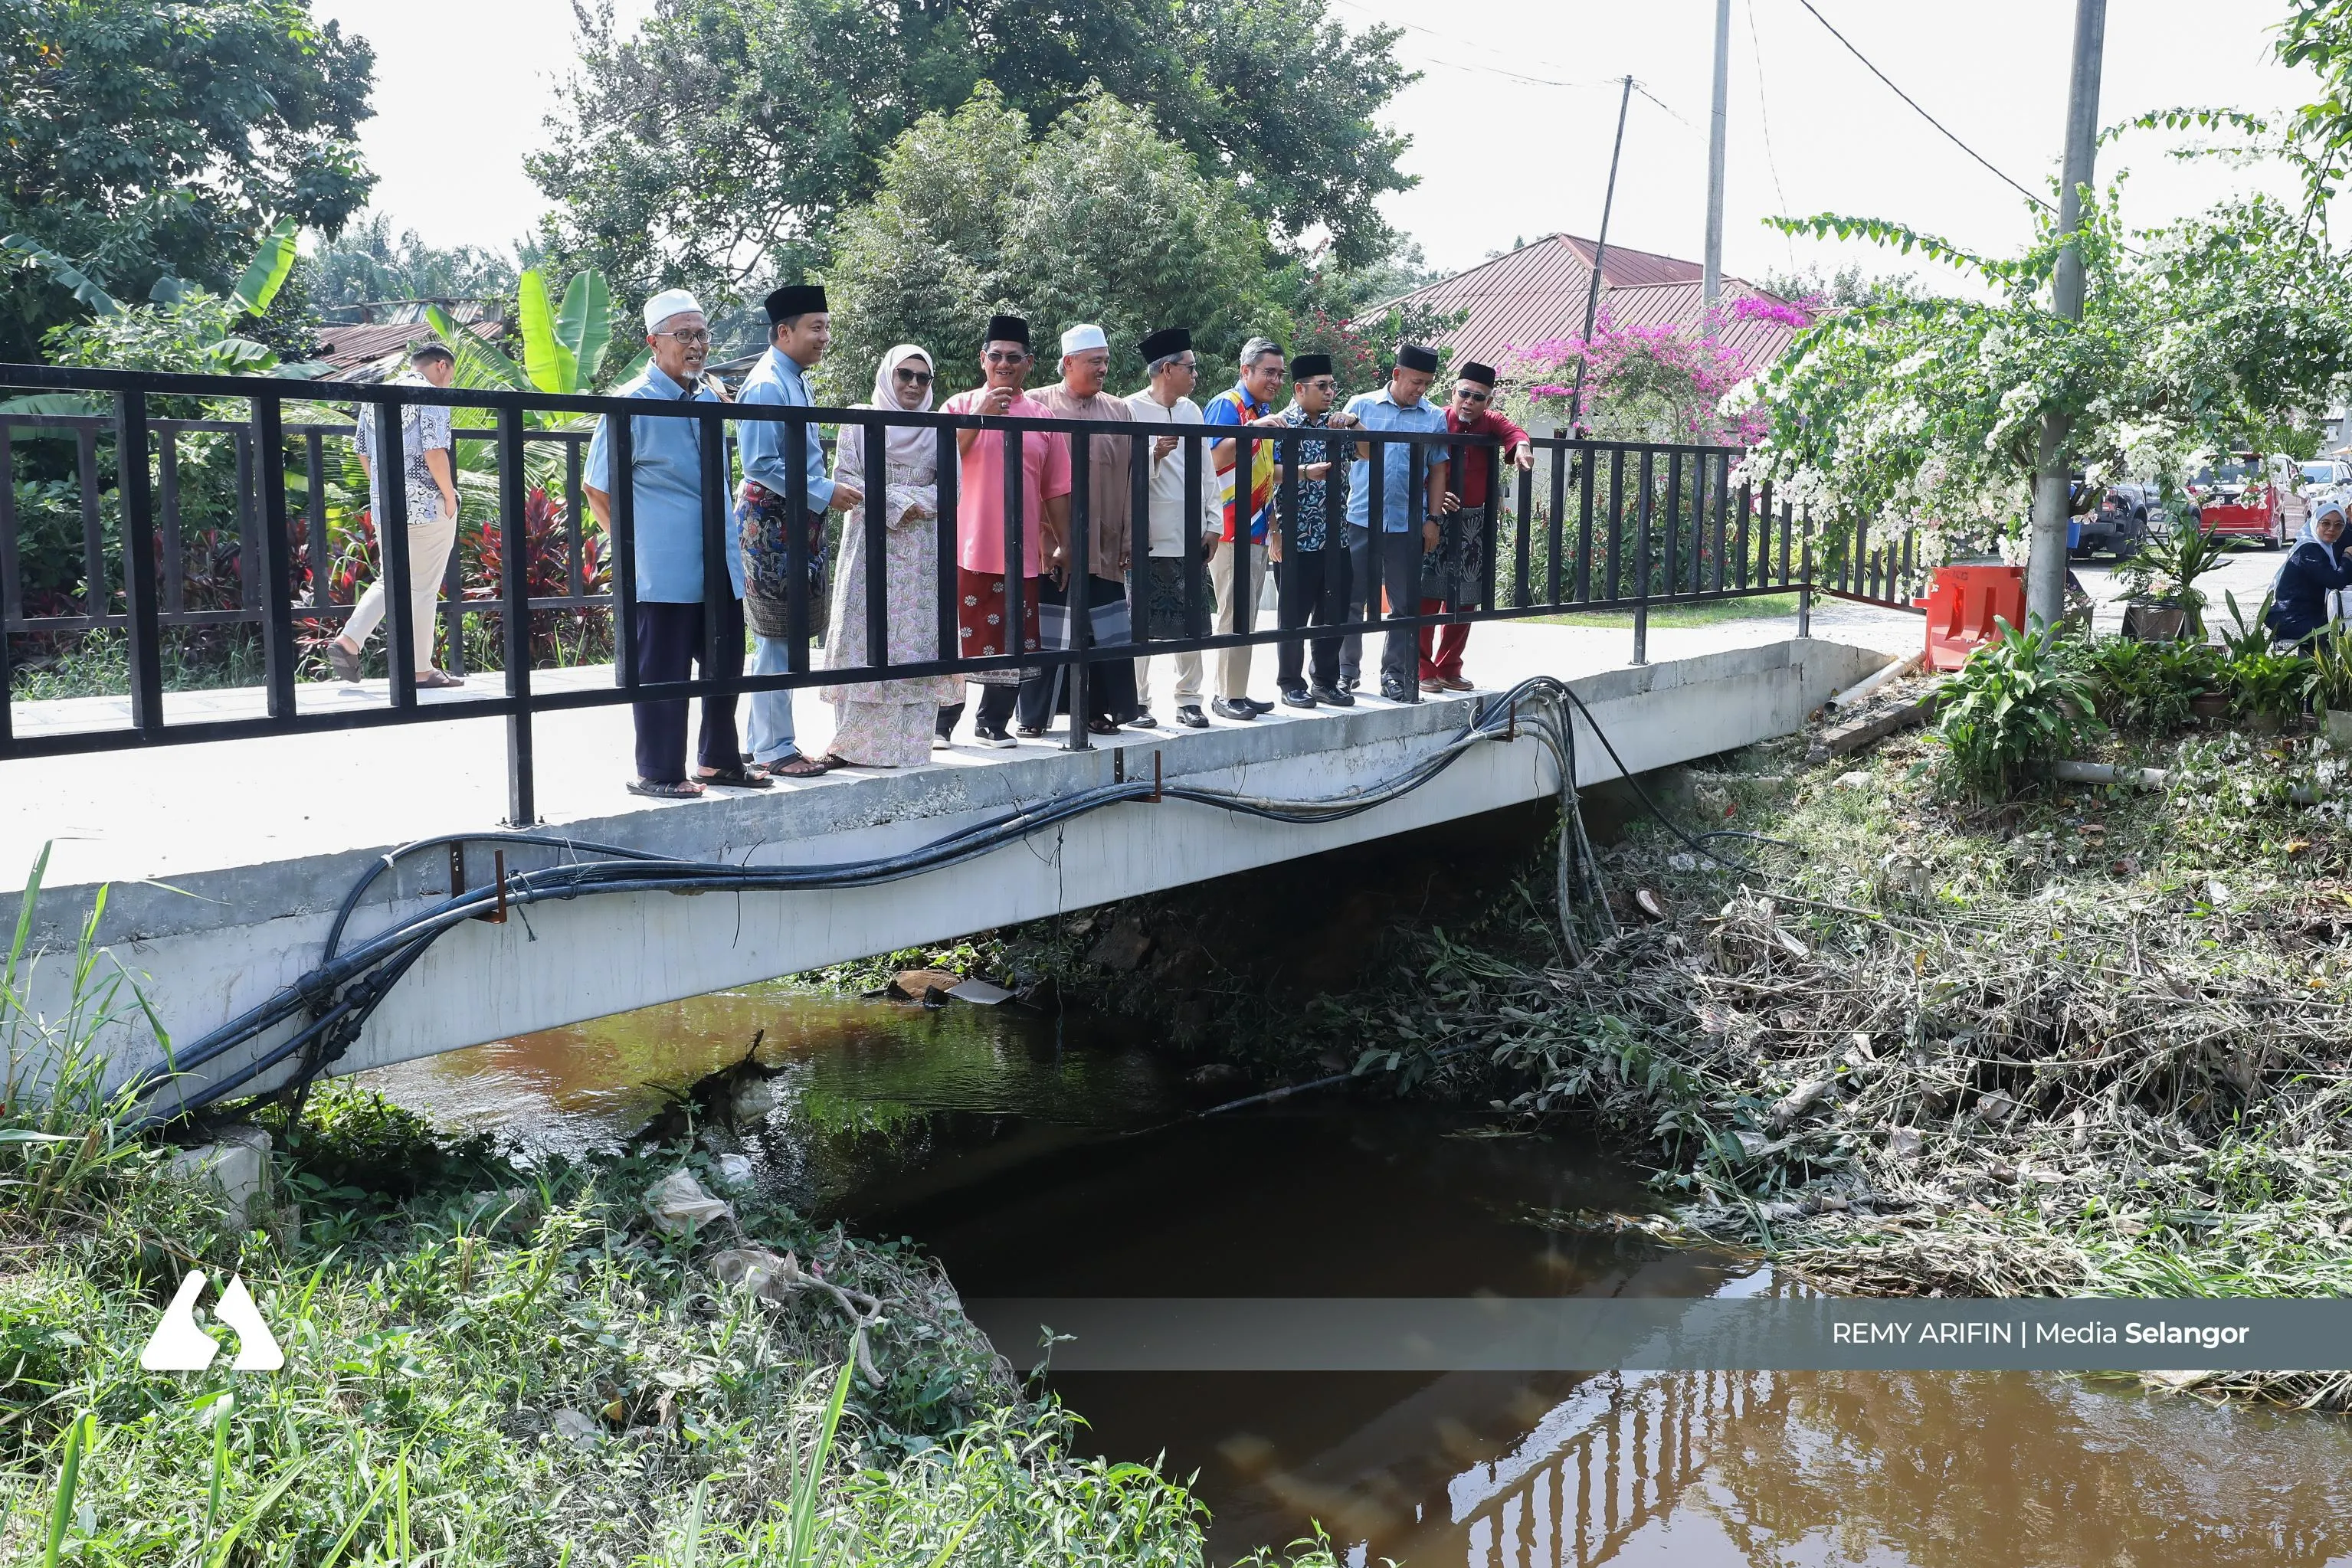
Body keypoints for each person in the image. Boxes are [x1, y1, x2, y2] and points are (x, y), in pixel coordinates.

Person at [583, 289, 766, 797]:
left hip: (719, 560)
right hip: (662, 567)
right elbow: (597, 487)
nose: (696, 345)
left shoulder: (708, 397)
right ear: (654, 343)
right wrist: (633, 549)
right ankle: (659, 772)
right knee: (663, 672)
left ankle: (718, 762)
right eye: (683, 335)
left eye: (702, 334)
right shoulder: (631, 405)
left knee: (724, 662)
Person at [817, 344, 965, 766]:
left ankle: (908, 748)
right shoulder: (860, 421)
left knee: (917, 641)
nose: (914, 384)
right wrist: (903, 503)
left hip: (922, 554)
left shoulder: (940, 428)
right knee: (865, 638)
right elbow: (846, 481)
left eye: (923, 378)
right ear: (888, 376)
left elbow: (951, 489)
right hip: (870, 547)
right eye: (905, 375)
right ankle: (852, 747)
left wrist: (916, 502)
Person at [935, 316, 1072, 748]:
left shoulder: (1041, 417)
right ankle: (940, 723)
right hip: (962, 547)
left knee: (1014, 640)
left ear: (1028, 364)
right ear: (983, 359)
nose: (1004, 364)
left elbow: (1057, 487)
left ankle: (992, 723)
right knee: (953, 639)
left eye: (1014, 357)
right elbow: (937, 463)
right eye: (996, 356)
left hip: (1022, 550)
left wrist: (1065, 543)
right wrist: (980, 416)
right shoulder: (958, 407)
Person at [734, 282, 851, 780]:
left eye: (826, 326)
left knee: (781, 636)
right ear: (784, 332)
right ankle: (776, 749)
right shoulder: (767, 384)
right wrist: (824, 491)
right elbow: (758, 462)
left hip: (792, 518)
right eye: (816, 328)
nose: (825, 336)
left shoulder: (793, 377)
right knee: (777, 635)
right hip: (773, 521)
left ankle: (760, 740)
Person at [1030, 323, 1141, 737]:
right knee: (1048, 629)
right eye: (1096, 361)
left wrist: (1128, 539)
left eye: (1106, 361)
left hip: (1106, 540)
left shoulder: (1119, 411)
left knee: (1102, 629)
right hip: (1050, 542)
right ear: (1068, 363)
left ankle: (1095, 711)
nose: (1103, 369)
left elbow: (1132, 479)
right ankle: (1035, 717)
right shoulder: (1039, 404)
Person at [331, 339, 462, 688]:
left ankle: (349, 641)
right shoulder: (429, 394)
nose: (448, 383)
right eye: (450, 376)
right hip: (425, 507)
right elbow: (435, 451)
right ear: (441, 366)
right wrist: (450, 497)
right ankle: (420, 670)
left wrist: (385, 490)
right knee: (423, 588)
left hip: (387, 506)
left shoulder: (377, 395)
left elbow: (363, 453)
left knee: (392, 579)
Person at [1340, 344, 1452, 704]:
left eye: (1427, 384)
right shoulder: (1361, 406)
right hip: (1360, 517)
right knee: (1351, 598)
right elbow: (1343, 455)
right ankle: (1345, 674)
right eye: (1416, 382)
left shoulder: (1433, 417)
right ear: (1397, 375)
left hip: (1408, 522)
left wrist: (1432, 519)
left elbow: (1437, 470)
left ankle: (1395, 675)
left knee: (1404, 604)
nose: (1420, 390)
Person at [1124, 326, 1223, 728]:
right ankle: (1137, 702)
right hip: (1146, 534)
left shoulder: (1192, 412)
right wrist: (1153, 453)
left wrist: (1214, 522)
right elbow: (1121, 472)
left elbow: (1207, 472)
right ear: (1167, 369)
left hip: (1190, 531)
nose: (1195, 374)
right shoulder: (1128, 409)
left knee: (1193, 623)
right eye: (1190, 367)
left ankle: (1189, 699)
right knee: (1139, 625)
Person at [1420, 361, 1535, 692]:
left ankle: (1449, 667)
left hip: (1473, 522)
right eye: (1464, 394)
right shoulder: (1436, 419)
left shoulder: (1491, 422)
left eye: (1478, 397)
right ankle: (1422, 667)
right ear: (1452, 393)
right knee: (1428, 594)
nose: (1469, 402)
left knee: (1466, 597)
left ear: (1489, 401)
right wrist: (1434, 499)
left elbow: (1514, 432)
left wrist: (1522, 448)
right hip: (1436, 518)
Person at [1267, 352, 1360, 707]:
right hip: (1295, 532)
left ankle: (1325, 680)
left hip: (1335, 534)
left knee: (1333, 610)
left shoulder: (1335, 425)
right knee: (1293, 612)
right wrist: (1303, 472)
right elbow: (1266, 472)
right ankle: (1291, 683)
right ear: (1299, 389)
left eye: (1332, 386)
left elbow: (1368, 450)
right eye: (1322, 387)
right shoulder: (1281, 424)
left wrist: (1353, 422)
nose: (1329, 393)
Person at [1203, 339, 1286, 720]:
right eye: (1269, 372)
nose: (1276, 380)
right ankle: (1223, 696)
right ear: (1245, 371)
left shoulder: (1261, 411)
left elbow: (1263, 475)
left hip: (1254, 528)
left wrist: (1272, 527)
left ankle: (1236, 691)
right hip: (1228, 528)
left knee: (1247, 615)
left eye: (1280, 374)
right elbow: (1211, 458)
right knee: (1232, 613)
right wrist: (1253, 429)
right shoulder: (1228, 405)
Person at [2268, 502, 2350, 643]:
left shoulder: (2322, 548)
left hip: (2304, 615)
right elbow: (2336, 581)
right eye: (2326, 523)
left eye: (2338, 525)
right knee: (2344, 632)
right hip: (2290, 618)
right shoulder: (2309, 551)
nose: (2332, 529)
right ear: (2315, 523)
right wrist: (2348, 556)